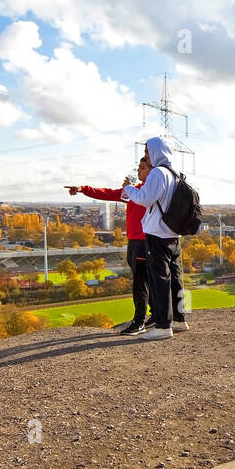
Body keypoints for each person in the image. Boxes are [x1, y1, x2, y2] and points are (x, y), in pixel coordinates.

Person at [66, 155, 153, 335]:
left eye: (143, 168)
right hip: (134, 241)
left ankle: (139, 321)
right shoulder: (135, 190)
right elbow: (107, 193)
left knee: (140, 282)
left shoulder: (150, 192)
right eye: (138, 166)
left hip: (145, 241)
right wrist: (83, 189)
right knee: (143, 279)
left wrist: (128, 188)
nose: (138, 170)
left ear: (153, 172)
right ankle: (157, 313)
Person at [122, 137, 189, 340]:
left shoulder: (158, 173)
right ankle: (179, 319)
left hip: (158, 234)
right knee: (176, 278)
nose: (146, 154)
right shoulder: (175, 174)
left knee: (159, 279)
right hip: (173, 234)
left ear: (156, 151)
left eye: (148, 150)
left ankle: (162, 326)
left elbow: (144, 199)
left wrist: (129, 188)